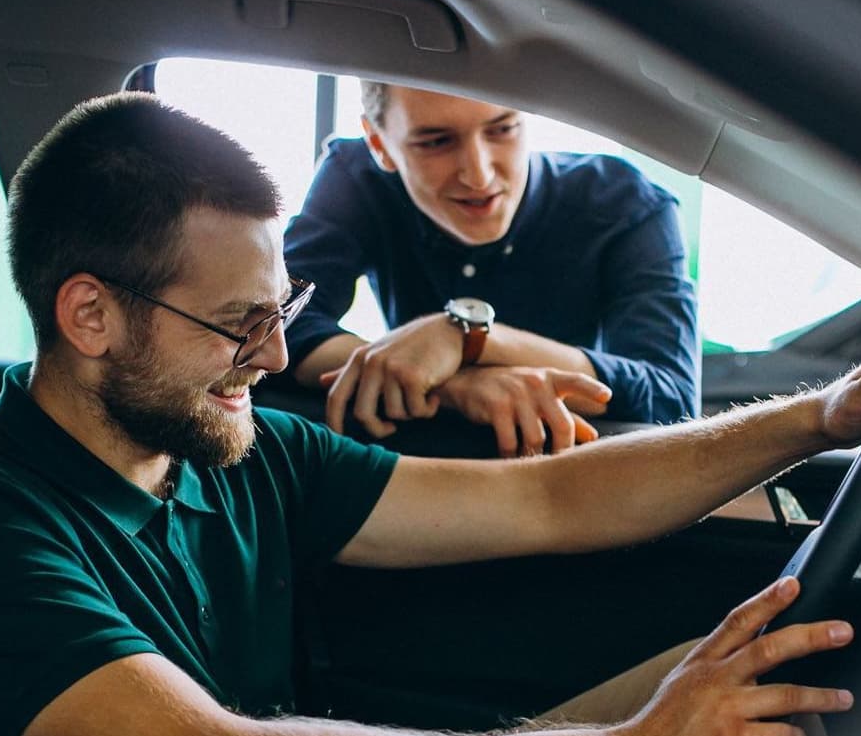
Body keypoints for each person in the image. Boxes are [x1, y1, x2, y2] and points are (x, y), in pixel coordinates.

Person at [0, 93, 861, 736]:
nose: (269, 358)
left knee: (761, 684)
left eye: (281, 315)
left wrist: (818, 416)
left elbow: (551, 495)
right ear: (89, 316)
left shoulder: (230, 453)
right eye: (232, 325)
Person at [282, 82, 701, 457]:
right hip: (414, 471)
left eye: (502, 129)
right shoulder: (355, 175)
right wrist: (452, 385)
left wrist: (467, 338)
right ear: (379, 144)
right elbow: (273, 328)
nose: (479, 175)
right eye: (435, 142)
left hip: (574, 476)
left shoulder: (627, 203)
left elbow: (673, 402)